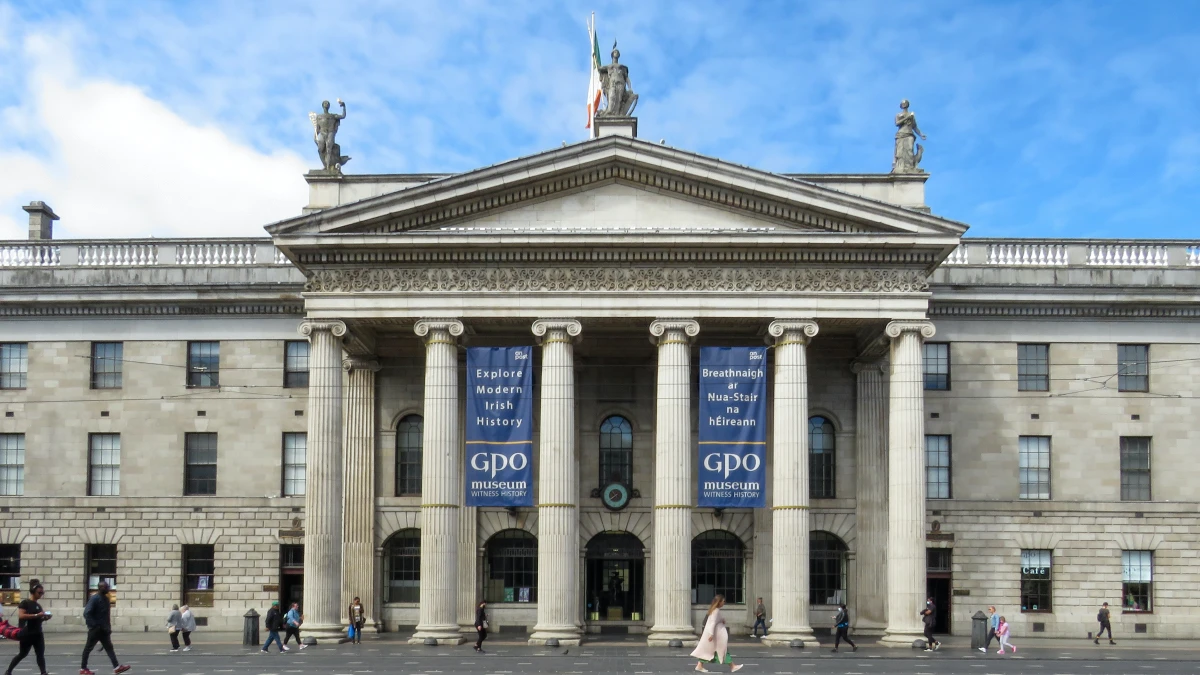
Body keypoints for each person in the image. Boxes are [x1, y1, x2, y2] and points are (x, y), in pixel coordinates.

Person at [80, 580, 131, 674]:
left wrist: (108, 628)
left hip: (104, 629)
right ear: (100, 588)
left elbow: (106, 615)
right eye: (106, 587)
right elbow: (87, 613)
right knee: (88, 648)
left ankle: (116, 667)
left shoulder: (105, 599)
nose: (108, 588)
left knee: (109, 648)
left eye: (108, 586)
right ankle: (83, 669)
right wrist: (93, 625)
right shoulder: (94, 598)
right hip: (96, 629)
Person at [689, 594, 744, 673]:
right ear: (719, 602)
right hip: (716, 635)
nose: (724, 603)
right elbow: (713, 623)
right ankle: (733, 666)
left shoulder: (714, 610)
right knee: (722, 650)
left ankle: (700, 665)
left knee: (709, 650)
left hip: (715, 634)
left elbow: (714, 620)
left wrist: (722, 620)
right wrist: (711, 634)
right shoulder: (716, 611)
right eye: (723, 601)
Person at [6, 581, 50, 675]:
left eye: (42, 592)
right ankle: (8, 671)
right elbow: (21, 616)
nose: (41, 594)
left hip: (38, 633)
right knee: (22, 654)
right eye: (39, 592)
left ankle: (43, 672)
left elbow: (38, 618)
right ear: (33, 592)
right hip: (27, 633)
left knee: (40, 655)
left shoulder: (38, 605)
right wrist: (37, 615)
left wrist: (44, 618)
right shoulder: (25, 603)